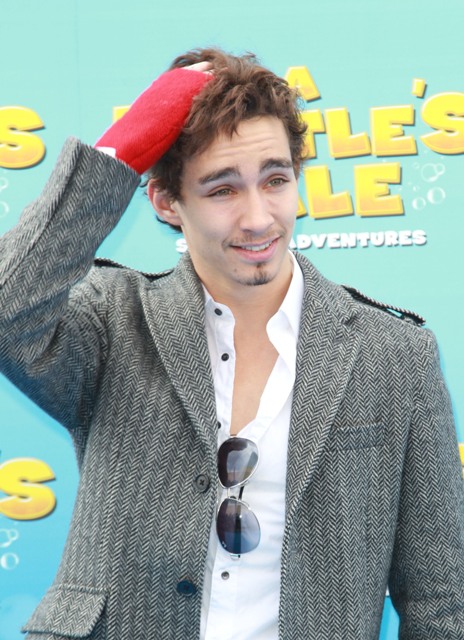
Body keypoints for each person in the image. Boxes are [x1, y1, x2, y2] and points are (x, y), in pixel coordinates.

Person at [0, 47, 463, 640]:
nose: (258, 217)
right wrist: (116, 158)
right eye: (222, 190)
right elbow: (9, 309)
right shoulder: (110, 321)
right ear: (166, 202)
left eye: (276, 180)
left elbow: (440, 602)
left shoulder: (394, 354)